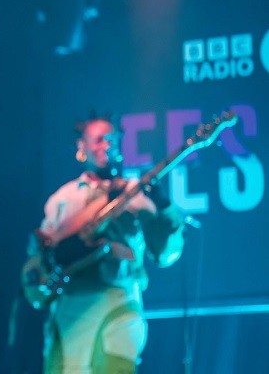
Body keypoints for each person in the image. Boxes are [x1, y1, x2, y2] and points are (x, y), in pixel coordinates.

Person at [23, 115, 185, 373]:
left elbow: (166, 253)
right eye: (98, 140)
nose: (105, 145)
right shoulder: (62, 199)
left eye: (111, 139)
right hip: (71, 308)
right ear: (82, 147)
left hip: (121, 299)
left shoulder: (135, 193)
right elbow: (40, 258)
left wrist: (163, 206)